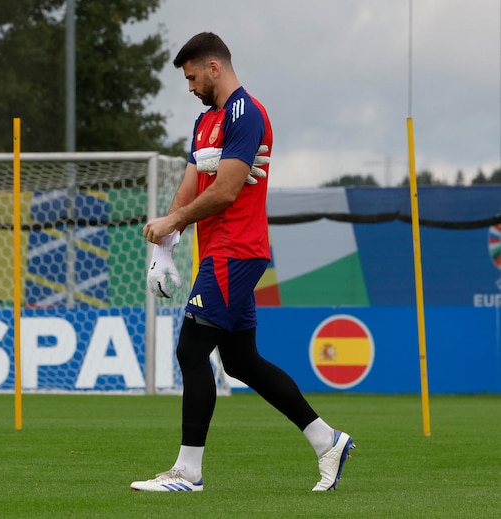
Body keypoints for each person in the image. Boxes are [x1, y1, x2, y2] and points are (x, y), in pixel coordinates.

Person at [130, 32, 354, 493]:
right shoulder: (204, 120)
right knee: (241, 361)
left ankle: (188, 472)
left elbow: (228, 189)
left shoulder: (245, 113)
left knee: (191, 351)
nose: (189, 86)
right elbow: (192, 184)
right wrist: (165, 248)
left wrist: (175, 216)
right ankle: (327, 441)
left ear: (214, 66)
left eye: (192, 77)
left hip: (237, 251)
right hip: (219, 252)